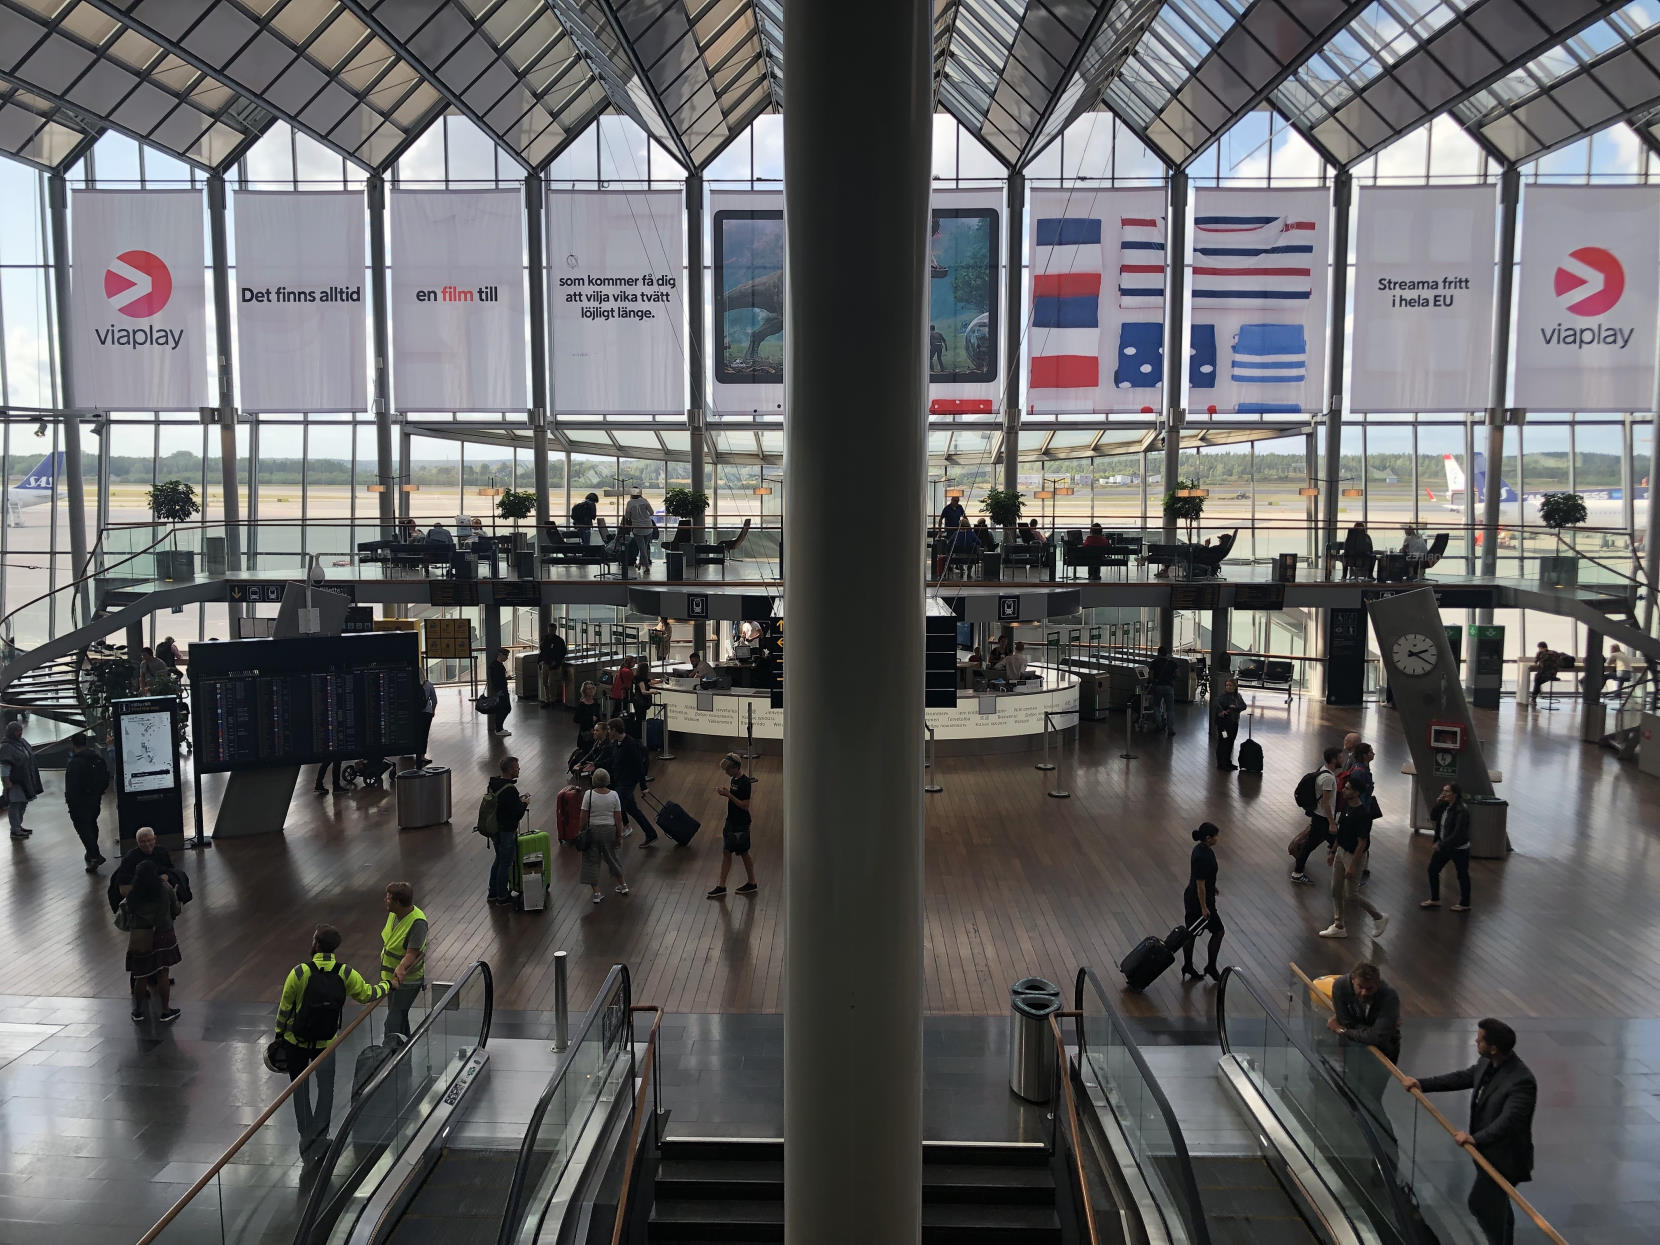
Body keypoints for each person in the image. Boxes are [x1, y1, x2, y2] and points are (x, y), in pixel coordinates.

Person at [1403, 1020, 1536, 1245]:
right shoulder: (1487, 1063)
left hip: (1506, 1159)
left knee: (1481, 1205)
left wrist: (1475, 1138)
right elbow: (1462, 1077)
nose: (1476, 1040)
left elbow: (1509, 1121)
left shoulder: (1521, 1081)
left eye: (1480, 1038)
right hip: (1487, 1153)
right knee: (1498, 1205)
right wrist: (1422, 1084)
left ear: (1493, 1047)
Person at [274, 925, 389, 1155]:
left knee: (300, 1088)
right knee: (326, 1088)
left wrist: (279, 1035)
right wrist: (388, 984)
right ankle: (321, 1134)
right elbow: (368, 994)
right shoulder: (345, 973)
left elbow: (285, 1009)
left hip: (296, 1042)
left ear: (316, 943)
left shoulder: (299, 973)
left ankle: (306, 1135)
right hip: (326, 1043)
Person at [1320, 783, 1389, 940]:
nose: (1343, 790)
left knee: (1350, 894)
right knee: (1335, 889)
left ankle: (1378, 917)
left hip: (1353, 856)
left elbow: (1362, 843)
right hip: (1340, 851)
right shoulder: (1346, 807)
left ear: (1356, 793)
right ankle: (1339, 926)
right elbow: (1341, 831)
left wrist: (1352, 866)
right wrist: (1332, 851)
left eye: (1348, 788)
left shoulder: (1363, 814)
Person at [120, 860, 182, 1023]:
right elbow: (175, 910)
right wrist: (175, 896)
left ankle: (138, 1011)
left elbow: (129, 916)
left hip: (141, 937)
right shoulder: (164, 888)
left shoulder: (133, 894)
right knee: (163, 973)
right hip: (163, 934)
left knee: (141, 976)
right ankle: (165, 1011)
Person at [1177, 823, 1225, 982]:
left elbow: (1204, 878)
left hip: (1192, 898)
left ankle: (1188, 966)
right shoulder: (1203, 856)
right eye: (1216, 836)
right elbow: (1200, 885)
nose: (1218, 838)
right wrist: (1204, 907)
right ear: (1208, 838)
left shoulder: (1200, 849)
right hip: (1199, 902)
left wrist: (1213, 886)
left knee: (1191, 934)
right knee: (1218, 932)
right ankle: (1210, 966)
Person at [380, 881, 427, 1038]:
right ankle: (403, 1053)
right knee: (399, 1017)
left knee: (392, 1023)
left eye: (388, 898)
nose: (386, 900)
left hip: (407, 981)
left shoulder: (417, 923)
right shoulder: (394, 914)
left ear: (398, 902)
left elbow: (411, 954)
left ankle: (390, 1055)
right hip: (392, 979)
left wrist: (401, 967)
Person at [707, 753, 757, 899]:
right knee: (729, 852)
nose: (726, 772)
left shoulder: (745, 783)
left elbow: (745, 805)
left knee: (743, 853)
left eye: (728, 770)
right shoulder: (734, 779)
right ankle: (723, 885)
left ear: (736, 768)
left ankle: (750, 882)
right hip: (732, 821)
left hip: (740, 823)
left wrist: (728, 795)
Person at [1291, 746, 1343, 885]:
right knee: (1338, 844)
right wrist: (1332, 823)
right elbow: (1326, 803)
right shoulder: (1328, 779)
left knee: (1311, 845)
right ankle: (1346, 875)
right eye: (1340, 757)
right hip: (1323, 818)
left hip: (1319, 817)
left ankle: (1297, 872)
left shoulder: (1323, 770)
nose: (1342, 759)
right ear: (1333, 759)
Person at [578, 768, 630, 903]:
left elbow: (583, 815)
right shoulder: (614, 795)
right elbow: (618, 818)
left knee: (591, 861)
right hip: (610, 831)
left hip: (593, 831)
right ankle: (623, 885)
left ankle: (596, 893)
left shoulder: (588, 795)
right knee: (613, 858)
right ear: (608, 780)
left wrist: (581, 830)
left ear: (594, 780)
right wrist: (619, 835)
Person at [1422, 781, 1473, 912]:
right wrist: (1438, 803)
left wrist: (1441, 843)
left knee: (1462, 875)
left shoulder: (1461, 810)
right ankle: (1435, 899)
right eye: (1443, 791)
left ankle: (1465, 903)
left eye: (1447, 791)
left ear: (1454, 794)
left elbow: (1458, 834)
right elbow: (1433, 816)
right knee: (1432, 870)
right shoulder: (1445, 805)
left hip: (1458, 848)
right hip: (1445, 845)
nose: (1444, 793)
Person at [64, 732, 110, 872]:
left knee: (83, 829)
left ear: (73, 745)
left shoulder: (75, 763)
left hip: (79, 803)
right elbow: (105, 776)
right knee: (91, 824)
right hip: (95, 799)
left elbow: (71, 786)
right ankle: (91, 853)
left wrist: (70, 802)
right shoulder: (96, 758)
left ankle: (94, 855)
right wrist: (98, 792)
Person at [605, 720, 656, 842]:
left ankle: (614, 835)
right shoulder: (616, 743)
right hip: (620, 781)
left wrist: (643, 786)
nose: (608, 732)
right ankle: (651, 834)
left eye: (609, 729)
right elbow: (612, 760)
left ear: (615, 730)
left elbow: (639, 766)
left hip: (627, 783)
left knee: (615, 806)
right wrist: (595, 765)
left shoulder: (631, 744)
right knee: (633, 810)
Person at [485, 759, 526, 907]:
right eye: (516, 767)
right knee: (505, 863)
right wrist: (524, 804)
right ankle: (502, 896)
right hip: (507, 831)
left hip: (495, 830)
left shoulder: (494, 784)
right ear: (510, 770)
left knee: (499, 860)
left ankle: (493, 893)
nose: (519, 769)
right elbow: (516, 814)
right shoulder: (510, 790)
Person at [1, 720, 43, 840]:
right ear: (12, 732)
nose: (20, 733)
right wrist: (7, 781)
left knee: (23, 803)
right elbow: (5, 766)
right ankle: (15, 830)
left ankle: (18, 826)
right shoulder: (6, 747)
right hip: (15, 782)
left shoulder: (22, 742)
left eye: (21, 730)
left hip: (25, 779)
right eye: (18, 731)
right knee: (15, 805)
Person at [113, 827, 181, 895]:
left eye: (149, 840)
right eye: (142, 842)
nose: (147, 844)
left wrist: (167, 875)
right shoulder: (130, 858)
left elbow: (171, 869)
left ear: (155, 838)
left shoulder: (162, 851)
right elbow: (123, 888)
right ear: (137, 842)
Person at [1213, 677, 1247, 771]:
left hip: (1233, 723)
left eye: (1230, 685)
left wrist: (1235, 707)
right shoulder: (1222, 697)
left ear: (1235, 687)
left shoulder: (1238, 697)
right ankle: (1221, 763)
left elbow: (1244, 706)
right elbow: (1216, 704)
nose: (1228, 687)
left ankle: (1227, 762)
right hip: (1223, 725)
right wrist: (1221, 711)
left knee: (1230, 742)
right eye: (1227, 685)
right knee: (1223, 742)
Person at [1148, 644, 1178, 736]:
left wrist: (1152, 682)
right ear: (1166, 654)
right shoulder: (1173, 663)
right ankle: (1170, 729)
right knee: (1170, 709)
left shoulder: (1154, 662)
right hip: (1169, 687)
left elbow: (1151, 676)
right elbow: (1177, 675)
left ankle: (1160, 725)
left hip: (1158, 687)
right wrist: (1171, 679)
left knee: (1156, 706)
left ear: (1159, 653)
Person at [624, 487, 656, 570]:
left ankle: (646, 567)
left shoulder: (630, 503)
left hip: (637, 528)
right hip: (648, 527)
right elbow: (652, 512)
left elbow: (627, 516)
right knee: (644, 547)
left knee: (642, 549)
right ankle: (640, 564)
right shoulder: (645, 501)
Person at [539, 626, 568, 709]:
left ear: (555, 630)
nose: (551, 631)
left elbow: (563, 652)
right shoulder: (545, 638)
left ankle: (552, 700)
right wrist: (541, 661)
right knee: (545, 682)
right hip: (545, 663)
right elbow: (542, 650)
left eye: (552, 630)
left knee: (552, 683)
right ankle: (547, 700)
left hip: (554, 665)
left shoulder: (559, 640)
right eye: (549, 629)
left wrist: (557, 661)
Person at [487, 646, 511, 737]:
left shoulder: (495, 665)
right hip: (501, 691)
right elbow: (497, 680)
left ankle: (499, 728)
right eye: (506, 656)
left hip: (501, 690)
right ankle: (499, 729)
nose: (507, 658)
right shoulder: (497, 666)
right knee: (504, 709)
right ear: (500, 655)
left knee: (505, 708)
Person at [572, 680, 603, 750]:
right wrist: (590, 719)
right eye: (589, 689)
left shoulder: (595, 703)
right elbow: (576, 719)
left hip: (595, 734)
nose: (591, 690)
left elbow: (598, 717)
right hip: (585, 734)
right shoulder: (581, 705)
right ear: (584, 691)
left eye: (592, 688)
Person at [414, 674, 437, 767]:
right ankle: (422, 756)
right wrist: (433, 710)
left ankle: (415, 753)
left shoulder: (412, 684)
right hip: (427, 712)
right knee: (424, 735)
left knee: (415, 734)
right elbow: (434, 700)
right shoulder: (429, 684)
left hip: (415, 713)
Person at [608, 656, 636, 721]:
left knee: (617, 709)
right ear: (630, 663)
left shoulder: (622, 669)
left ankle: (612, 723)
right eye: (633, 662)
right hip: (622, 693)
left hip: (617, 692)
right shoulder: (627, 671)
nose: (634, 663)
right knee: (620, 709)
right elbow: (635, 679)